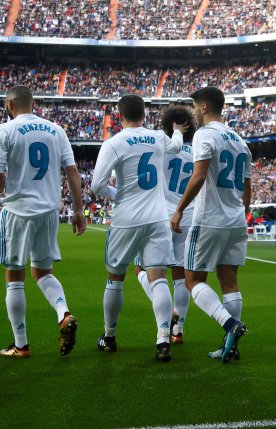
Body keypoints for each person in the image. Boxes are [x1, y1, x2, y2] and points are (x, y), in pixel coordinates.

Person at [0, 85, 86, 358]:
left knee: (14, 278)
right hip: (49, 212)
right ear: (34, 103)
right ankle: (63, 313)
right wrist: (78, 210)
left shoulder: (4, 131)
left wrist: (3, 189)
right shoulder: (56, 130)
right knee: (43, 272)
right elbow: (72, 171)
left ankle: (21, 345)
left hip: (18, 211)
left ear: (9, 105)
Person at [91, 94, 186, 361]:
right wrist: (177, 132)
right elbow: (177, 147)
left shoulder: (114, 143)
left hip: (127, 219)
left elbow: (97, 186)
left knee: (115, 279)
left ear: (119, 116)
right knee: (158, 278)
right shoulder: (158, 137)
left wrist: (117, 193)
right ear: (145, 114)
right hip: (157, 218)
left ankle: (109, 337)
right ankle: (163, 339)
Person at [170, 86, 251, 364]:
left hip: (209, 219)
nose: (193, 111)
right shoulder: (240, 140)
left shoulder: (205, 134)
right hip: (236, 219)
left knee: (193, 281)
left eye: (195, 106)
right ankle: (231, 345)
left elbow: (199, 175)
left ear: (203, 107)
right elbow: (247, 187)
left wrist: (180, 209)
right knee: (230, 282)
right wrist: (241, 214)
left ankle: (230, 326)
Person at [135, 104, 197, 344]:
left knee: (144, 269)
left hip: (161, 214)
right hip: (188, 215)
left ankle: (167, 311)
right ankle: (178, 330)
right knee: (180, 275)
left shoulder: (162, 147)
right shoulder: (196, 152)